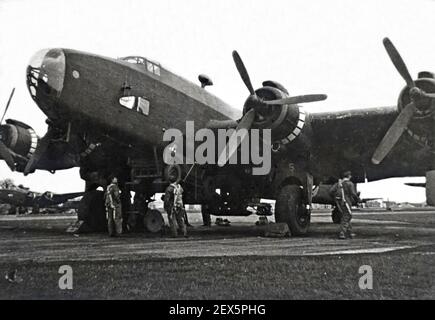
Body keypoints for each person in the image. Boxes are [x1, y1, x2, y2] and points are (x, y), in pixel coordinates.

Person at [329, 171, 360, 239]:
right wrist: (357, 199)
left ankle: (350, 232)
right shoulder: (349, 184)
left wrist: (335, 198)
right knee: (347, 216)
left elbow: (331, 191)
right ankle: (342, 233)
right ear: (349, 176)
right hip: (346, 202)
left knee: (345, 215)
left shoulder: (338, 184)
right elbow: (353, 193)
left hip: (339, 202)